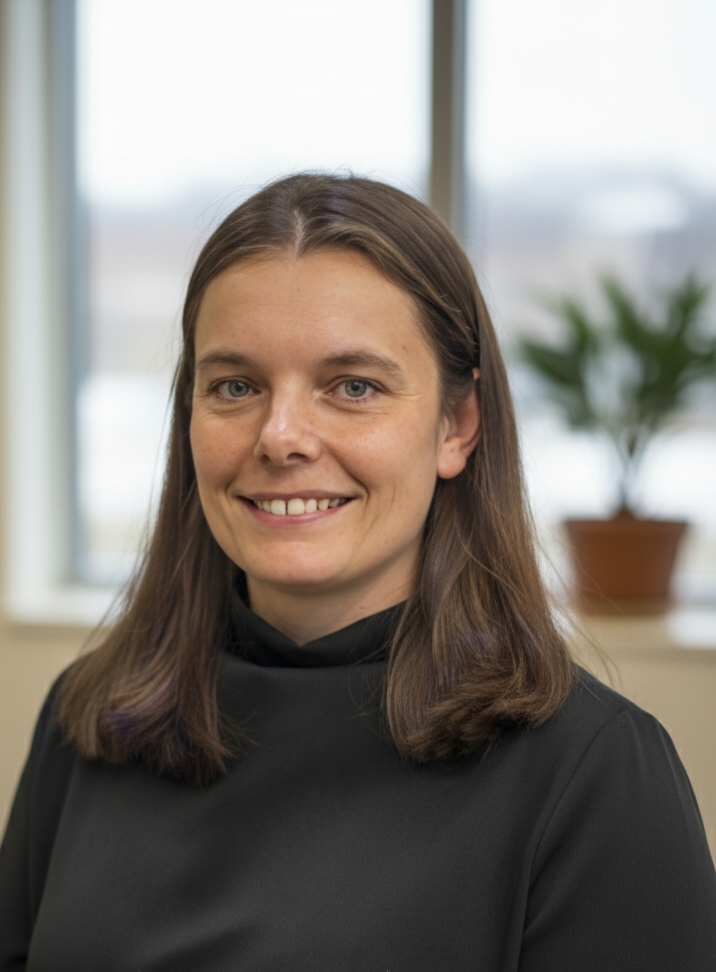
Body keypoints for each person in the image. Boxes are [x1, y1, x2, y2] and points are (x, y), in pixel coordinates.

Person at [1, 173, 714, 971]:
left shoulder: (594, 775)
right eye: (235, 385)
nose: (281, 437)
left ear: (457, 425)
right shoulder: (88, 719)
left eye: (352, 387)